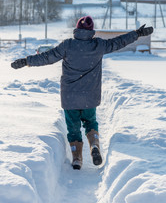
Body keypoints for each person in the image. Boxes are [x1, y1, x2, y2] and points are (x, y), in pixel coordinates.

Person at [11, 16, 153, 170]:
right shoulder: (99, 45)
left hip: (70, 96)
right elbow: (119, 42)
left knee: (73, 128)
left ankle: (77, 157)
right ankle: (94, 145)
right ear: (91, 31)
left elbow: (47, 57)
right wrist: (137, 33)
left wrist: (26, 61)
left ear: (77, 29)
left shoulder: (67, 45)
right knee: (90, 122)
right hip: (90, 96)